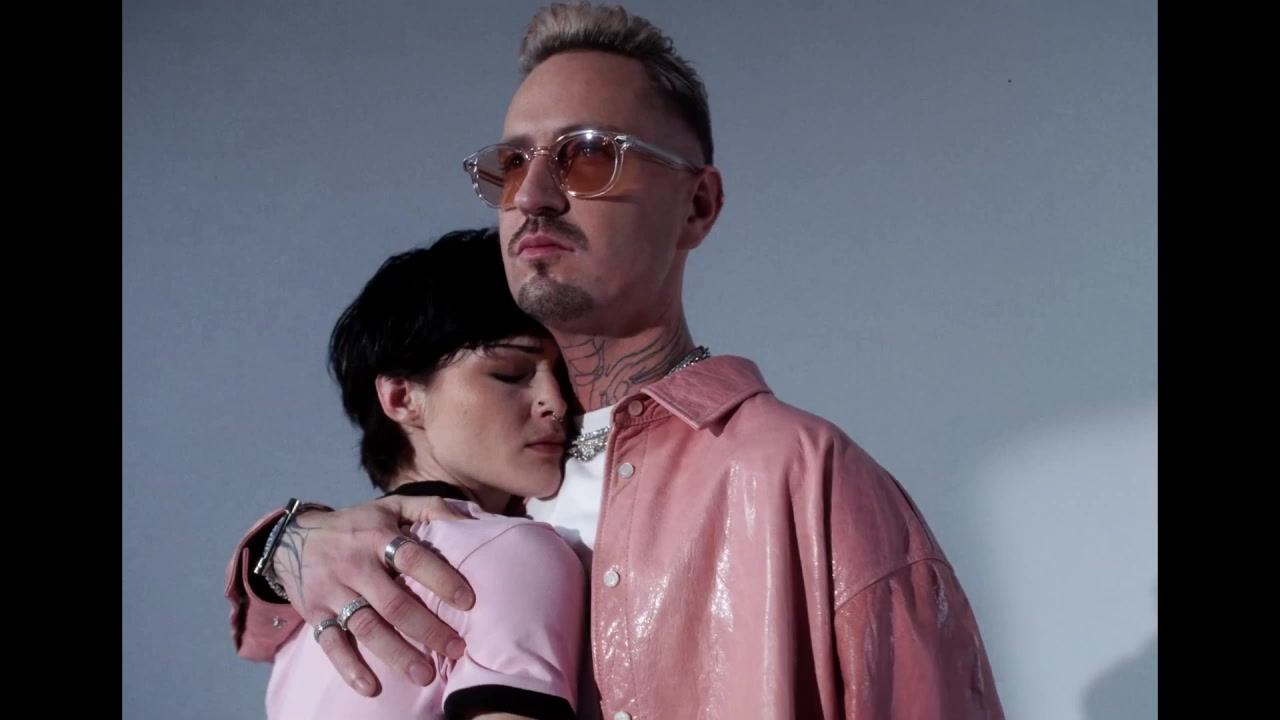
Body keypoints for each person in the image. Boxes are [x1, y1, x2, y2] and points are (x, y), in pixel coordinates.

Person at [225, 3, 1006, 717]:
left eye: (589, 155)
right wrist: (282, 547)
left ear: (697, 205)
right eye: (512, 163)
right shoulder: (493, 472)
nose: (532, 195)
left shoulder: (802, 478)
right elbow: (280, 638)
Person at [250, 228, 586, 719]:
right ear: (401, 397)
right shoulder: (507, 552)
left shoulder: (305, 614)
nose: (555, 403)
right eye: (511, 374)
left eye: (564, 379)